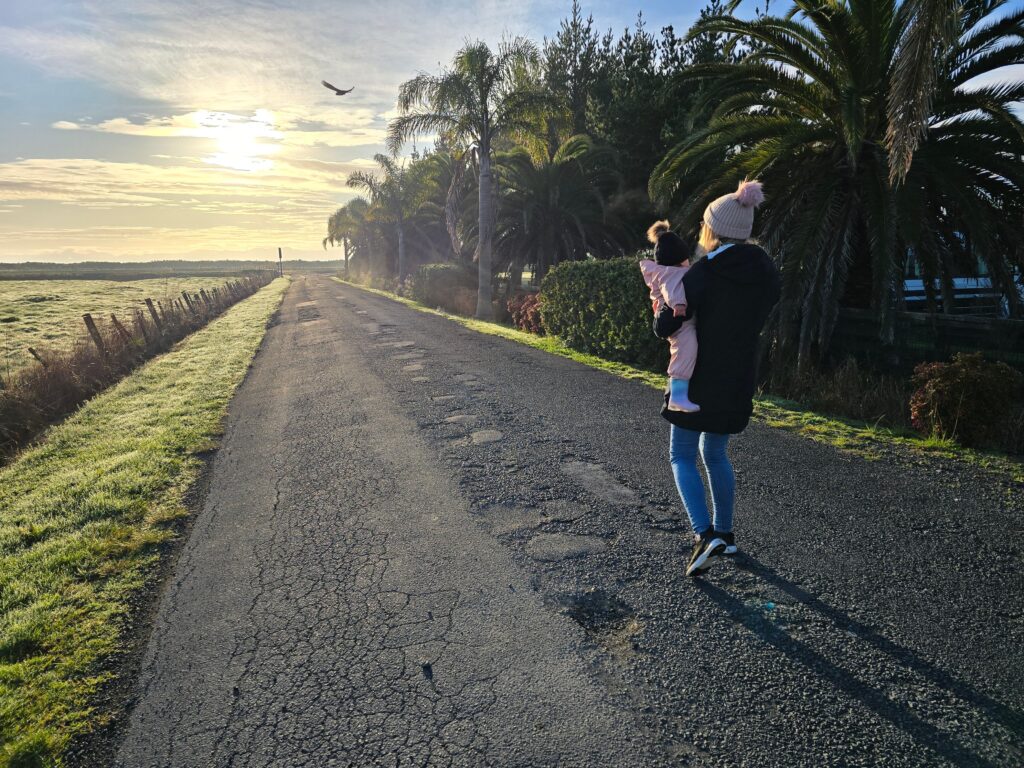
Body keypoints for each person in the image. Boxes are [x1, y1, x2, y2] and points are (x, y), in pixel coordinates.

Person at [654, 180, 781, 577]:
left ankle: (702, 534)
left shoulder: (702, 274)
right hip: (739, 376)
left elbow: (666, 326)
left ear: (713, 228)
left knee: (680, 455)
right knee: (716, 454)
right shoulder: (765, 272)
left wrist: (660, 307)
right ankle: (724, 534)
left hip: (697, 379)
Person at [639, 221, 700, 412]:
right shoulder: (672, 274)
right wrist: (679, 305)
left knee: (682, 351)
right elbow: (672, 290)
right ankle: (678, 397)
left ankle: (678, 395)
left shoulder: (664, 271)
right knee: (685, 351)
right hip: (679, 319)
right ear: (681, 258)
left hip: (673, 319)